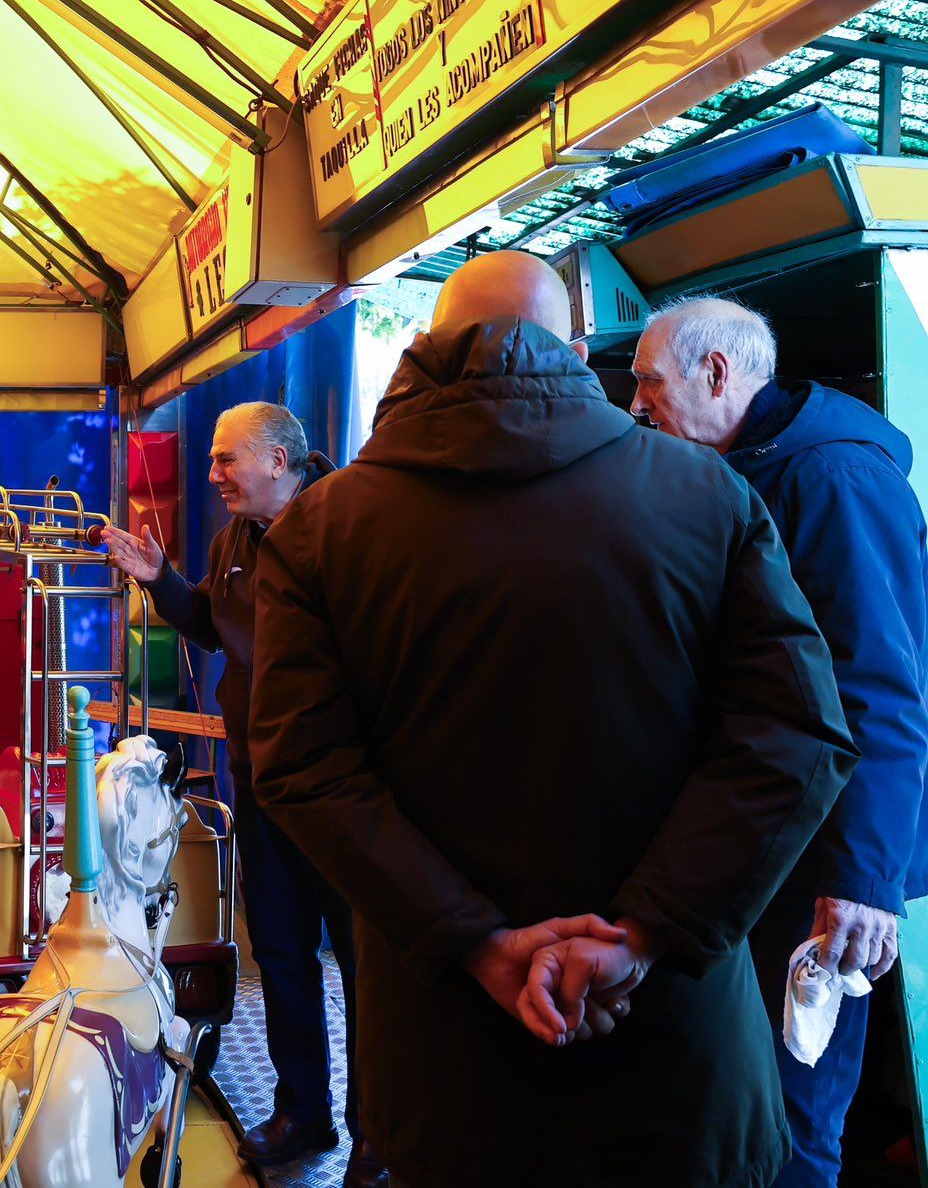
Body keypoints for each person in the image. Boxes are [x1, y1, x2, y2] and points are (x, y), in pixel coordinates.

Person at [246, 251, 856, 1187]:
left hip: (448, 1066)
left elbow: (304, 767)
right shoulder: (709, 497)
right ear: (574, 350)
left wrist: (478, 943)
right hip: (677, 1064)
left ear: (424, 348)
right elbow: (798, 736)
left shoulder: (321, 531)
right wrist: (643, 933)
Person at [633, 295, 928, 1188]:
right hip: (769, 847)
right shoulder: (749, 471)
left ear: (715, 375)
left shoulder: (831, 479)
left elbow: (880, 689)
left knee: (793, 1116)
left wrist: (860, 881)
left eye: (648, 385)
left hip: (822, 868)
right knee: (751, 1102)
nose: (636, 407)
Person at [101, 404, 381, 1185]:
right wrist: (163, 582)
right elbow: (217, 627)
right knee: (283, 953)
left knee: (364, 968)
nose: (215, 473)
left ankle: (378, 1134)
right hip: (263, 788)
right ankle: (303, 1112)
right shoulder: (231, 543)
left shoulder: (349, 529)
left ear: (281, 462)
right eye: (215, 459)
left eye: (228, 460)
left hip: (342, 791)